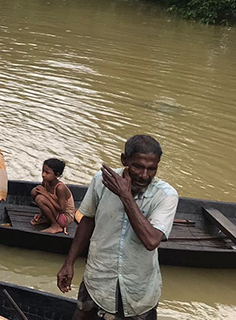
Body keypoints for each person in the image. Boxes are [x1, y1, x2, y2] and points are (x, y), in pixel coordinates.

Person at [57, 135, 178, 320]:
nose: (144, 175)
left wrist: (125, 196)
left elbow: (151, 240)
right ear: (124, 160)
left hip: (138, 288)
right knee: (82, 314)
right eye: (138, 166)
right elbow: (87, 221)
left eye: (151, 169)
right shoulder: (100, 181)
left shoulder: (165, 195)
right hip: (98, 277)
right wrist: (69, 263)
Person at [30, 158, 76, 234]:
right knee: (35, 191)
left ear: (57, 174)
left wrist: (46, 194)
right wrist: (41, 214)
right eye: (43, 171)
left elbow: (62, 209)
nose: (43, 174)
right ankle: (47, 218)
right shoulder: (46, 182)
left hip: (65, 218)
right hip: (56, 212)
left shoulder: (60, 188)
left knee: (40, 199)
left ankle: (56, 226)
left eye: (47, 173)